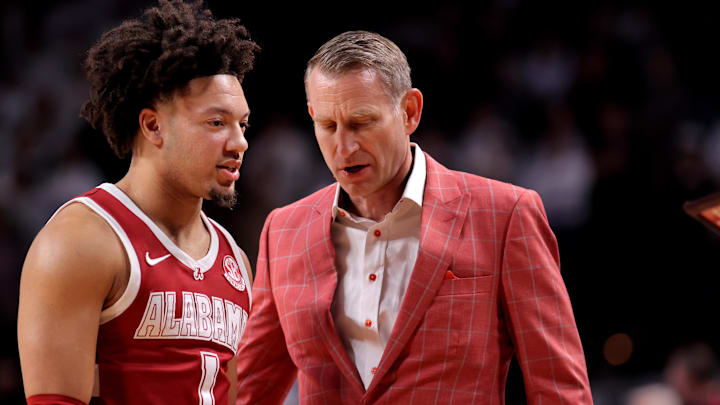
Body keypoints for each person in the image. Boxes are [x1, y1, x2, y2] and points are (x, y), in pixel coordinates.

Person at [236, 31, 593, 404]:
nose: (344, 147)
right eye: (328, 126)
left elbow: (560, 390)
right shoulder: (282, 231)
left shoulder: (505, 214)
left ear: (409, 112)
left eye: (361, 123)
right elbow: (249, 393)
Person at [17, 1, 258, 404]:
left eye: (242, 123)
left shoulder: (236, 261)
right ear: (153, 125)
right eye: (216, 123)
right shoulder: (81, 241)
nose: (239, 143)